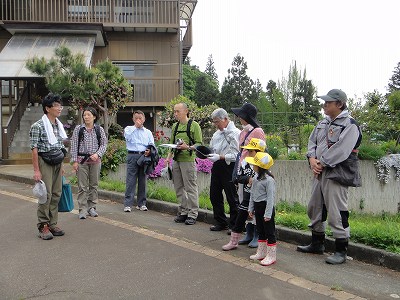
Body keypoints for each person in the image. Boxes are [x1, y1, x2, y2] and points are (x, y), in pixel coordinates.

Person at [297, 89, 362, 265]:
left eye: (328, 102)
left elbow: (342, 149)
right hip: (319, 171)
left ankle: (341, 250)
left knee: (337, 211)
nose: (324, 105)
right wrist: (311, 159)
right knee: (315, 207)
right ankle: (317, 243)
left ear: (339, 104)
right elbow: (312, 142)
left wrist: (321, 162)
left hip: (337, 172)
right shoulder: (322, 123)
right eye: (324, 102)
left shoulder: (350, 125)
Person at [29, 93, 68, 240]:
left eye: (60, 105)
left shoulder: (58, 125)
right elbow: (34, 149)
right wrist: (36, 170)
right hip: (44, 161)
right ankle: (43, 225)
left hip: (57, 161)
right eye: (56, 105)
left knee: (57, 193)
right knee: (46, 194)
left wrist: (61, 165)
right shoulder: (37, 126)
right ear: (47, 108)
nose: (59, 108)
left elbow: (59, 146)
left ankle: (53, 223)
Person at [222, 138, 266, 251]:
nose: (248, 153)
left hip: (259, 198)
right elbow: (238, 178)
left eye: (251, 151)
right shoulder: (244, 163)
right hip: (247, 196)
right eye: (248, 150)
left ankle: (259, 240)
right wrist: (247, 179)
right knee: (240, 217)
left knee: (259, 219)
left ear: (259, 152)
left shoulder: (264, 164)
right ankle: (234, 241)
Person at [231, 102, 265, 247]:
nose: (239, 117)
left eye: (240, 115)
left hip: (253, 170)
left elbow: (261, 152)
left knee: (254, 202)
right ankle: (249, 232)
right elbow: (241, 153)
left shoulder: (258, 131)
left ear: (246, 116)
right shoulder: (243, 132)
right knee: (243, 200)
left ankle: (257, 234)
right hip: (242, 169)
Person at [166, 102, 203, 225]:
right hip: (176, 160)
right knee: (178, 187)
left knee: (190, 187)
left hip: (188, 161)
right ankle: (183, 211)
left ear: (186, 111)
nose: (175, 114)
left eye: (178, 111)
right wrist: (168, 158)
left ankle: (193, 214)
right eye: (174, 111)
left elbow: (199, 144)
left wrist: (188, 147)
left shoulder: (194, 126)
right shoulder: (175, 126)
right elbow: (171, 144)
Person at [70, 107, 108, 219]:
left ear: (94, 117)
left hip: (95, 161)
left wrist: (98, 154)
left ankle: (92, 207)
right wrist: (75, 161)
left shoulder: (99, 129)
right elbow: (73, 145)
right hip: (82, 161)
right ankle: (82, 209)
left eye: (88, 115)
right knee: (82, 186)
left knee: (94, 185)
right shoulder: (79, 129)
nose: (86, 117)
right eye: (84, 115)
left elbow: (104, 144)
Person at [207, 108, 240, 232]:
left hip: (229, 166)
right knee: (214, 195)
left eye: (217, 122)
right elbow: (212, 148)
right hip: (217, 165)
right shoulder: (216, 134)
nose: (216, 125)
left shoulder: (235, 133)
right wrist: (209, 154)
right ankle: (221, 221)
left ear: (225, 119)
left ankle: (235, 224)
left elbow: (237, 155)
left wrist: (221, 157)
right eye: (214, 122)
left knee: (232, 196)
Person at [246, 152, 277, 266]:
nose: (253, 166)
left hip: (266, 208)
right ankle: (261, 252)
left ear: (260, 166)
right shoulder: (255, 178)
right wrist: (251, 208)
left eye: (254, 164)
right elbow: (252, 194)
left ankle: (271, 255)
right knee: (260, 230)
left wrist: (268, 214)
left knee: (270, 232)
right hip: (258, 207)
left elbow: (270, 198)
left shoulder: (269, 180)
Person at [123, 110, 155, 212]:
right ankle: (128, 204)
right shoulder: (128, 129)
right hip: (132, 155)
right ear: (133, 119)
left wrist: (149, 151)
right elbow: (127, 137)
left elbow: (152, 144)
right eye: (136, 118)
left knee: (143, 181)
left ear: (144, 119)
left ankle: (141, 203)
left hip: (144, 157)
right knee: (131, 180)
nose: (138, 120)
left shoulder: (148, 132)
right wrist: (135, 127)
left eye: (140, 118)